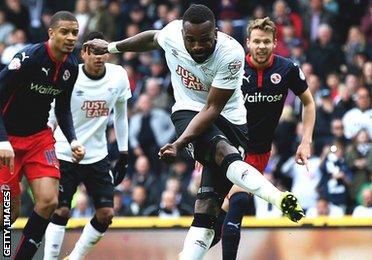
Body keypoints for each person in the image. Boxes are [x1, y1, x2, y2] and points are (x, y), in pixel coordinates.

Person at [83, 5, 304, 260]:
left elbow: (213, 107)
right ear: (183, 34)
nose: (197, 46)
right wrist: (112, 47)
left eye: (204, 40)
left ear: (216, 33)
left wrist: (178, 144)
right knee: (223, 152)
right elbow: (153, 38)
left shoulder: (231, 53)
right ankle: (277, 198)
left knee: (208, 209)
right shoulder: (173, 33)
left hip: (230, 120)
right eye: (191, 40)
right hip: (188, 111)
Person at [220, 17, 316, 260]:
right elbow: (212, 105)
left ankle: (190, 254)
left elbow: (309, 103)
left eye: (266, 42)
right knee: (232, 207)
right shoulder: (234, 68)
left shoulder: (288, 69)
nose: (261, 46)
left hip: (259, 152)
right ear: (248, 43)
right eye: (256, 42)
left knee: (228, 211)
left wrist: (306, 141)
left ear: (274, 43)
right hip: (229, 146)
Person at [0, 11, 85, 259]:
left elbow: (62, 107)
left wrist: (73, 139)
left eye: (75, 33)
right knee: (8, 215)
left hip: (39, 138)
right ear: (51, 33)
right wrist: (2, 140)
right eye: (65, 32)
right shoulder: (28, 59)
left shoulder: (71, 66)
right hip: (8, 140)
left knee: (49, 201)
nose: (71, 38)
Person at [43, 31, 131, 260]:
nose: (99, 56)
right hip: (64, 153)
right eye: (94, 51)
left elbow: (121, 115)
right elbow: (53, 114)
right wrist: (46, 144)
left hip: (98, 155)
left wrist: (123, 152)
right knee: (61, 210)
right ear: (83, 53)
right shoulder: (69, 75)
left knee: (106, 214)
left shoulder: (118, 76)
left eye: (104, 51)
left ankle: (74, 258)